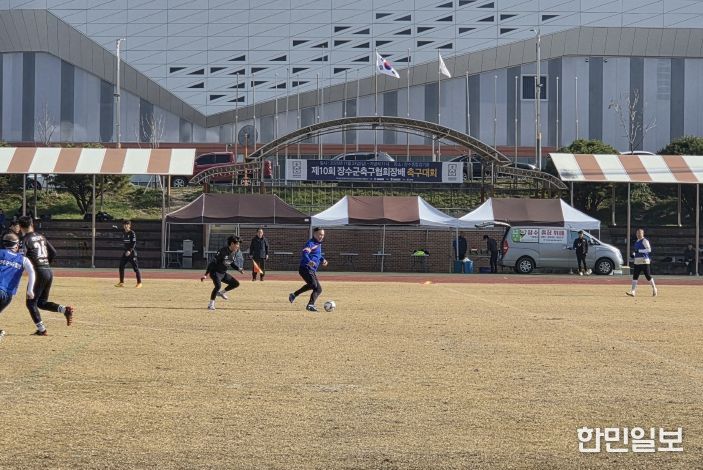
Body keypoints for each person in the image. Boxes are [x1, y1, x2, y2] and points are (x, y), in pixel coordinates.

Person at [18, 216, 74, 335]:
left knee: (30, 303)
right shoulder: (41, 236)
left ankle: (42, 330)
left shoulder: (25, 240)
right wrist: (45, 263)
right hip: (48, 271)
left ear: (20, 227)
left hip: (38, 273)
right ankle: (65, 310)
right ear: (32, 224)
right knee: (41, 303)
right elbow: (53, 252)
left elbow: (21, 258)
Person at [0, 233, 36, 341]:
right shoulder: (23, 259)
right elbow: (32, 272)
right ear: (16, 245)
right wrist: (30, 290)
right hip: (7, 295)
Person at [200, 235, 244, 310]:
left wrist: (238, 269)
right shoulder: (222, 251)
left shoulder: (234, 252)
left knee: (236, 283)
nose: (238, 246)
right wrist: (205, 274)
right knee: (218, 286)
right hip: (215, 272)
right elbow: (212, 263)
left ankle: (221, 293)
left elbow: (231, 263)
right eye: (237, 244)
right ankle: (211, 304)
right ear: (232, 244)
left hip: (223, 273)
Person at [289, 227, 327, 312]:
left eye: (323, 235)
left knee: (318, 289)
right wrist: (309, 261)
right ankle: (307, 303)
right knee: (313, 285)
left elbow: (318, 255)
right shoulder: (311, 243)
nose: (321, 236)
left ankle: (307, 302)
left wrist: (323, 260)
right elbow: (305, 253)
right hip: (305, 268)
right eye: (320, 234)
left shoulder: (318, 244)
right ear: (315, 234)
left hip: (311, 270)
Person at [627, 228, 657, 297]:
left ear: (642, 234)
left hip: (644, 261)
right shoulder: (636, 242)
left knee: (648, 276)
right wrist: (633, 254)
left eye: (640, 233)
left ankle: (654, 288)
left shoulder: (645, 241)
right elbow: (636, 251)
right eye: (637, 233)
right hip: (637, 261)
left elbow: (649, 250)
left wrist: (639, 251)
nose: (638, 234)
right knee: (635, 276)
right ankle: (633, 291)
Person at [115, 220, 142, 288]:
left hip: (131, 253)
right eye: (124, 224)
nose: (126, 226)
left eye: (127, 224)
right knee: (121, 266)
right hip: (125, 253)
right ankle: (121, 282)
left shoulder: (132, 233)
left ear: (129, 225)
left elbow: (133, 243)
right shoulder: (124, 233)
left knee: (135, 268)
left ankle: (139, 283)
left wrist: (129, 251)